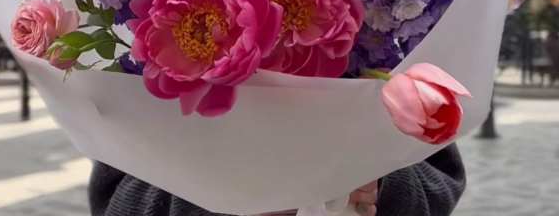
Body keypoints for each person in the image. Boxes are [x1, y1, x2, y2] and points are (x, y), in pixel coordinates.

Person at [89, 144, 465, 216]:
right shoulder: (145, 14)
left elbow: (441, 178)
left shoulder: (393, 2)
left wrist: (381, 180)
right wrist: (210, 195)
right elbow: (114, 198)